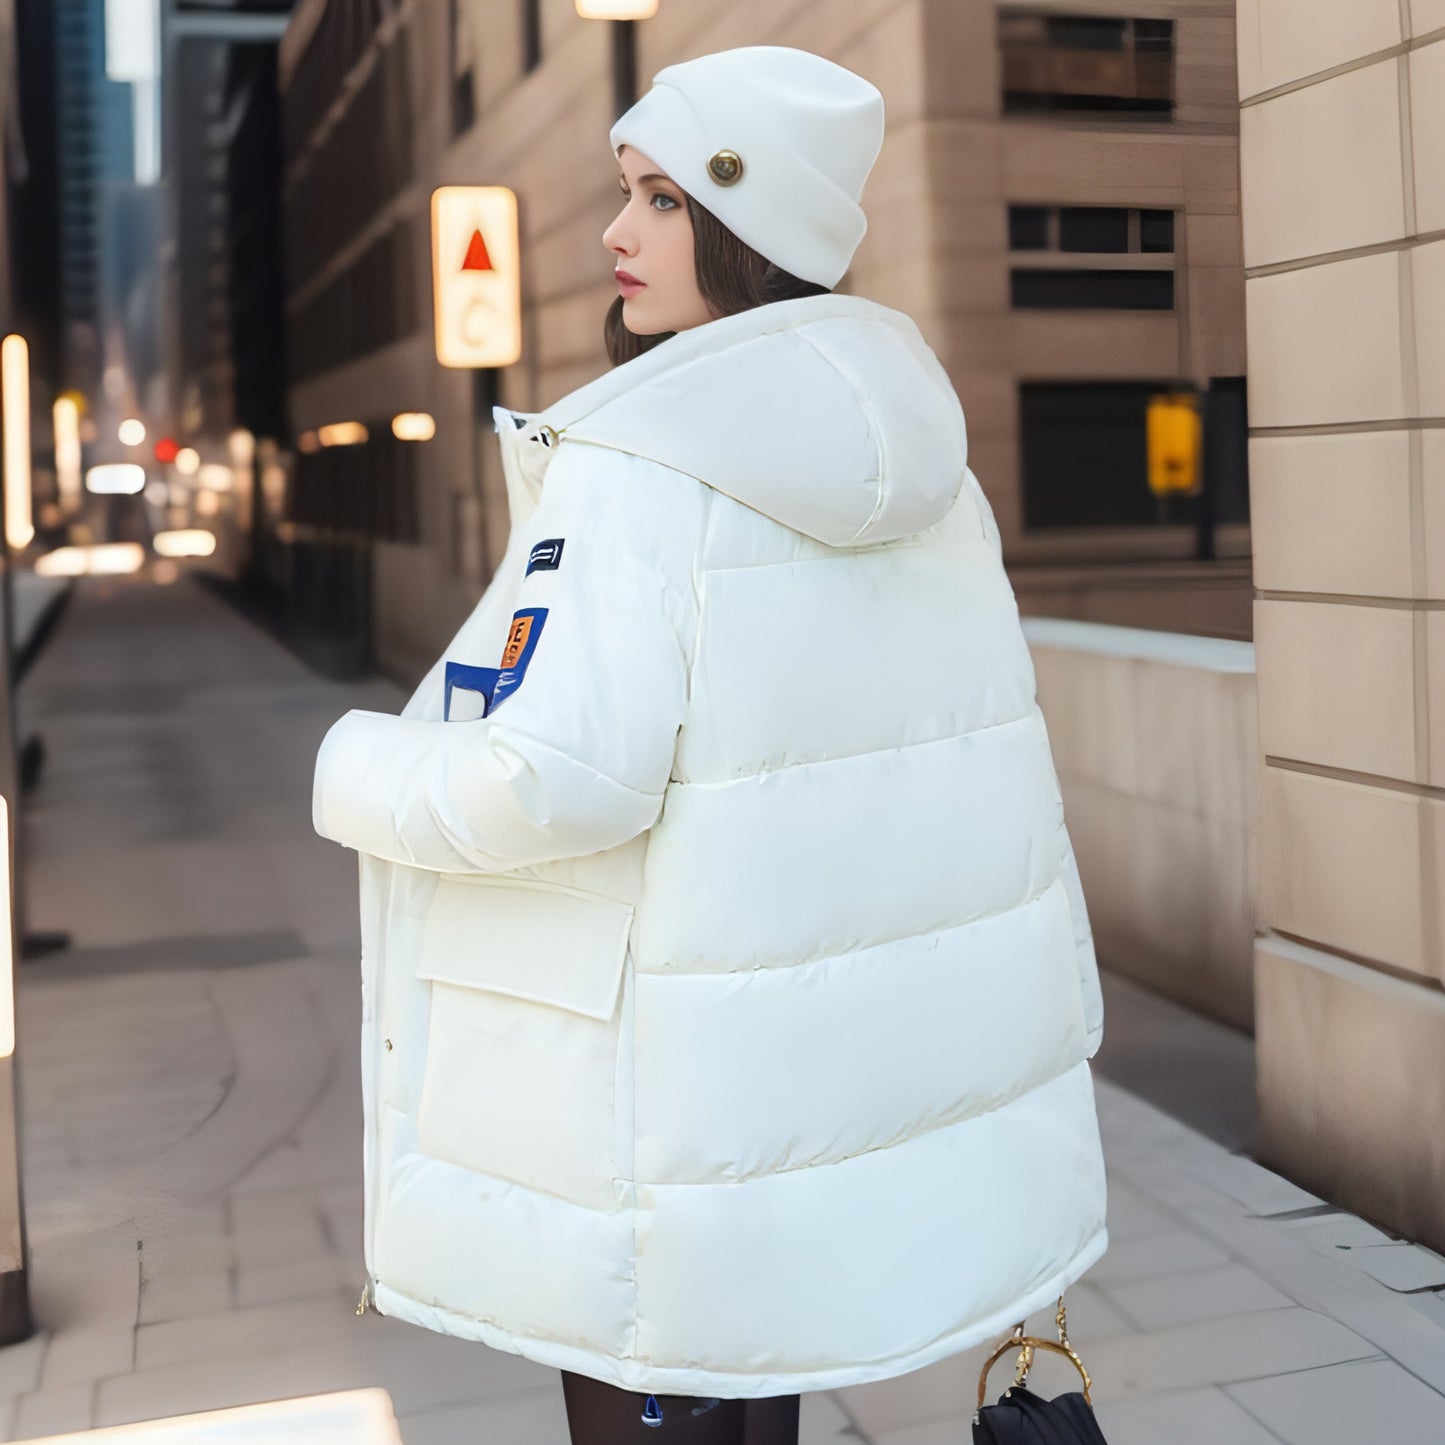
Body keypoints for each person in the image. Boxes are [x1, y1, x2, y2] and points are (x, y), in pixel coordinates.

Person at [312, 45, 1108, 1445]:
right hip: (795, 1109)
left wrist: (355, 764)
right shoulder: (929, 474)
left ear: (757, 228)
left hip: (655, 1112)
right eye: (627, 191)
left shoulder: (642, 467)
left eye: (665, 200)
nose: (617, 232)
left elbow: (557, 774)